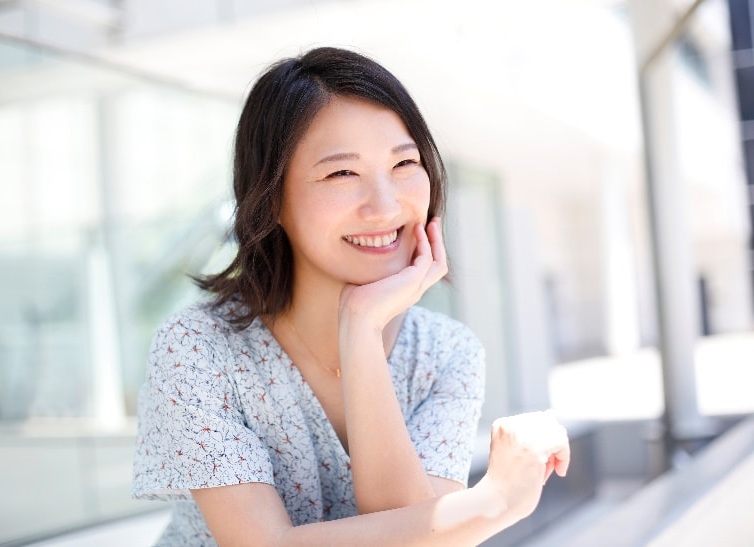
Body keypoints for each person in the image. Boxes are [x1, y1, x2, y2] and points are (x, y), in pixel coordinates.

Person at [132, 46, 570, 546]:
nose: (384, 207)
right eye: (342, 173)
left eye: (404, 164)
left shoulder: (446, 353)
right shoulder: (198, 348)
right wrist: (492, 503)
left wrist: (359, 331)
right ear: (270, 198)